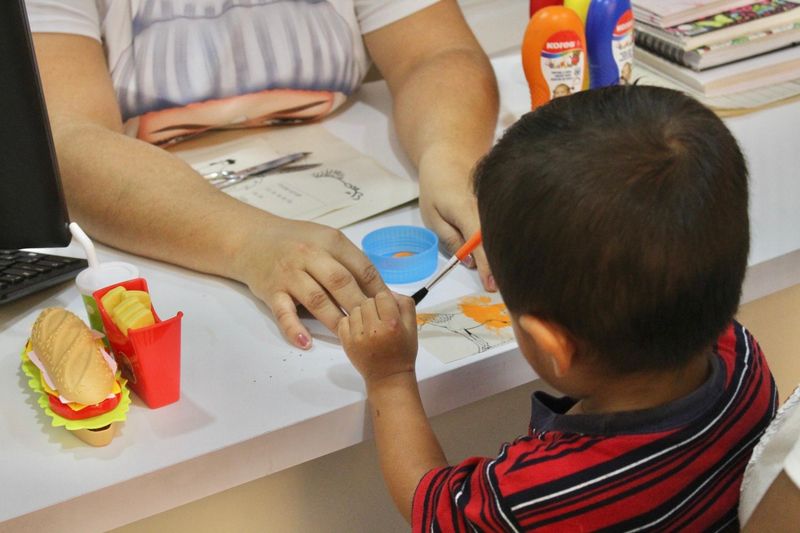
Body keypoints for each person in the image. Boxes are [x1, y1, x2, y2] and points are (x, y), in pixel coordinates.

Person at [338, 85, 777, 529]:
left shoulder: (537, 493)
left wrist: (389, 377)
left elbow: (431, 503)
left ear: (555, 344)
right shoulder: (745, 360)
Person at [25, 0, 499, 349]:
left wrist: (451, 157)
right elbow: (63, 139)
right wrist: (248, 242)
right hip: (151, 225)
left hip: (361, 184)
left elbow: (436, 54)